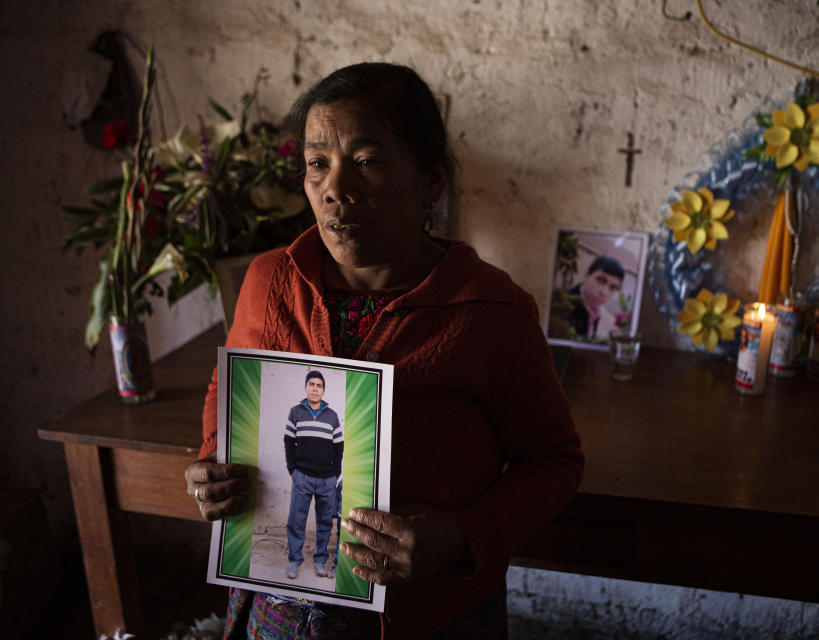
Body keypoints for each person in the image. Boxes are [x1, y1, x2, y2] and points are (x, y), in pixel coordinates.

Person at [184, 61, 584, 639]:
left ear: (431, 182)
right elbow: (233, 390)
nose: (334, 189)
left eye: (367, 163)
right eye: (317, 163)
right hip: (279, 609)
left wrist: (460, 533)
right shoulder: (271, 281)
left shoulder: (492, 312)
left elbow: (554, 462)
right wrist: (212, 464)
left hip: (427, 617)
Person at [284, 370, 343, 580]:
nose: (315, 388)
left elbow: (338, 447)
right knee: (296, 520)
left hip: (327, 479)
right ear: (306, 387)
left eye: (319, 385)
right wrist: (293, 469)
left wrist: (335, 473)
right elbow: (289, 442)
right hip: (302, 476)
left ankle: (320, 561)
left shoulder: (332, 416)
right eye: (311, 384)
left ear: (323, 390)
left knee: (325, 522)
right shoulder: (295, 412)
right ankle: (294, 561)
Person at [565, 255, 624, 339]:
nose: (604, 292)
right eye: (600, 280)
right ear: (587, 275)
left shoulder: (595, 311)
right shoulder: (563, 303)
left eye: (613, 287)